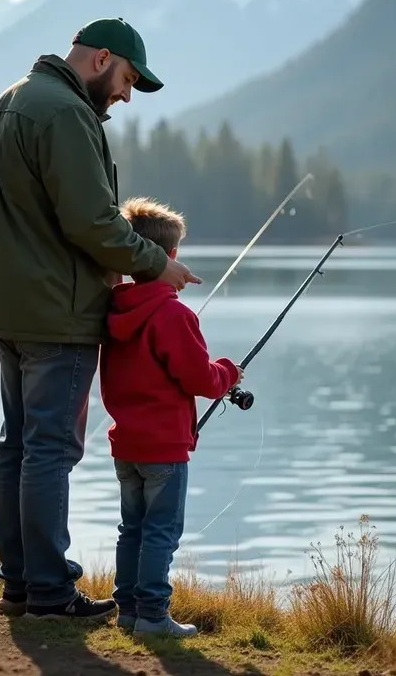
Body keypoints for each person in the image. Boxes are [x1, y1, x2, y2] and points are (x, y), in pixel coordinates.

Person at [0, 17, 202, 621]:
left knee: (17, 445)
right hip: (57, 313)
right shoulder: (66, 115)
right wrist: (157, 265)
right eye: (126, 79)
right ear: (100, 59)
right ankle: (47, 591)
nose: (125, 95)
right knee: (49, 449)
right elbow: (93, 222)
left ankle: (20, 585)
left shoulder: (4, 106)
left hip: (7, 307)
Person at [99, 197, 243, 638]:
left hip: (126, 444)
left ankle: (127, 610)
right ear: (172, 257)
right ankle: (154, 617)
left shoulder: (113, 309)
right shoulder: (174, 314)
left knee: (133, 529)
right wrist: (229, 372)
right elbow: (200, 379)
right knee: (161, 532)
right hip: (164, 447)